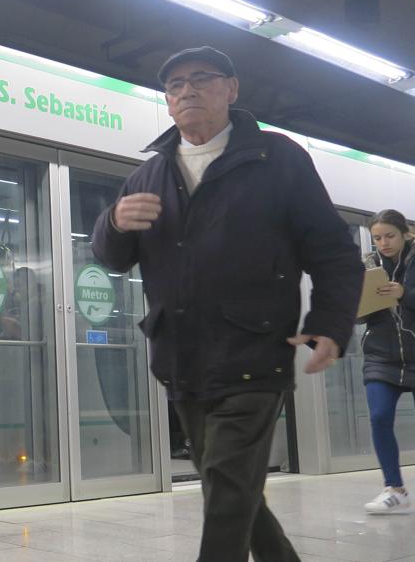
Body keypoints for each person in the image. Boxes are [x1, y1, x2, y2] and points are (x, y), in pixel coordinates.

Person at [92, 46, 362, 561]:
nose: (186, 90)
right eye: (175, 86)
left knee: (224, 487)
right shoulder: (148, 175)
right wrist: (113, 222)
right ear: (167, 104)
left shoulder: (276, 157)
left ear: (231, 90)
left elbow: (333, 251)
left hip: (255, 352)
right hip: (181, 358)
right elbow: (112, 259)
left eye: (201, 79)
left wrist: (330, 322)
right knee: (230, 486)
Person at [360, 209, 415, 513]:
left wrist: (405, 293)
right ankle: (394, 489)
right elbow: (358, 314)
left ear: (405, 232)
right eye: (377, 237)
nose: (383, 242)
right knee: (380, 416)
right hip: (381, 355)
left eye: (389, 235)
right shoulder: (368, 266)